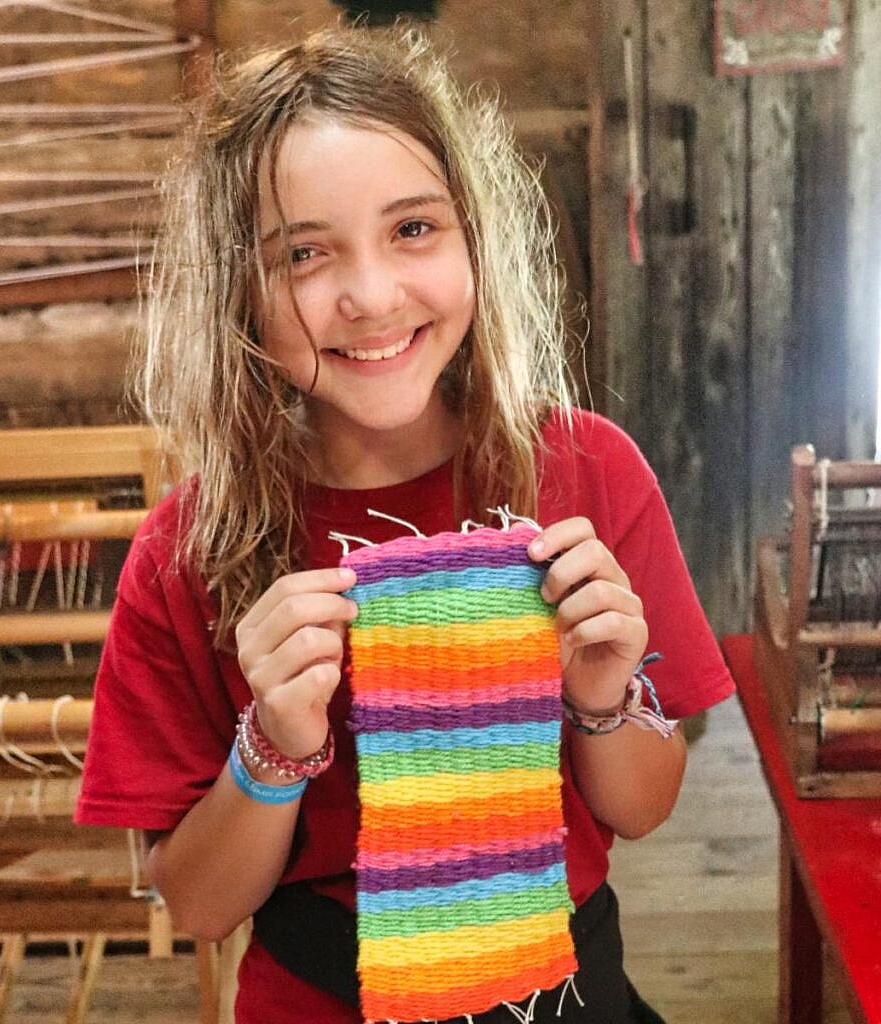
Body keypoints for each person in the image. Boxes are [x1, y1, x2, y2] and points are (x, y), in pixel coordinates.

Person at [75, 25, 734, 1024]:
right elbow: (201, 904)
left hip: (567, 983)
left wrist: (600, 697)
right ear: (240, 289)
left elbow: (640, 808)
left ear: (474, 233)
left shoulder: (590, 471)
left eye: (413, 230)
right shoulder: (186, 552)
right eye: (304, 253)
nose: (370, 296)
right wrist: (272, 747)